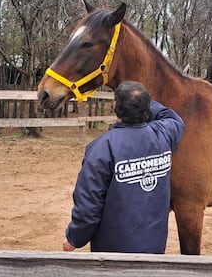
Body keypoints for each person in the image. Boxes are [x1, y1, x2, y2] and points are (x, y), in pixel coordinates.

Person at [62, 81, 185, 254]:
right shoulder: (163, 135)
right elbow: (173, 118)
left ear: (115, 106)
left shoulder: (102, 148)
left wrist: (75, 237)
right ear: (147, 108)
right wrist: (143, 102)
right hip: (154, 247)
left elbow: (89, 204)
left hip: (112, 252)